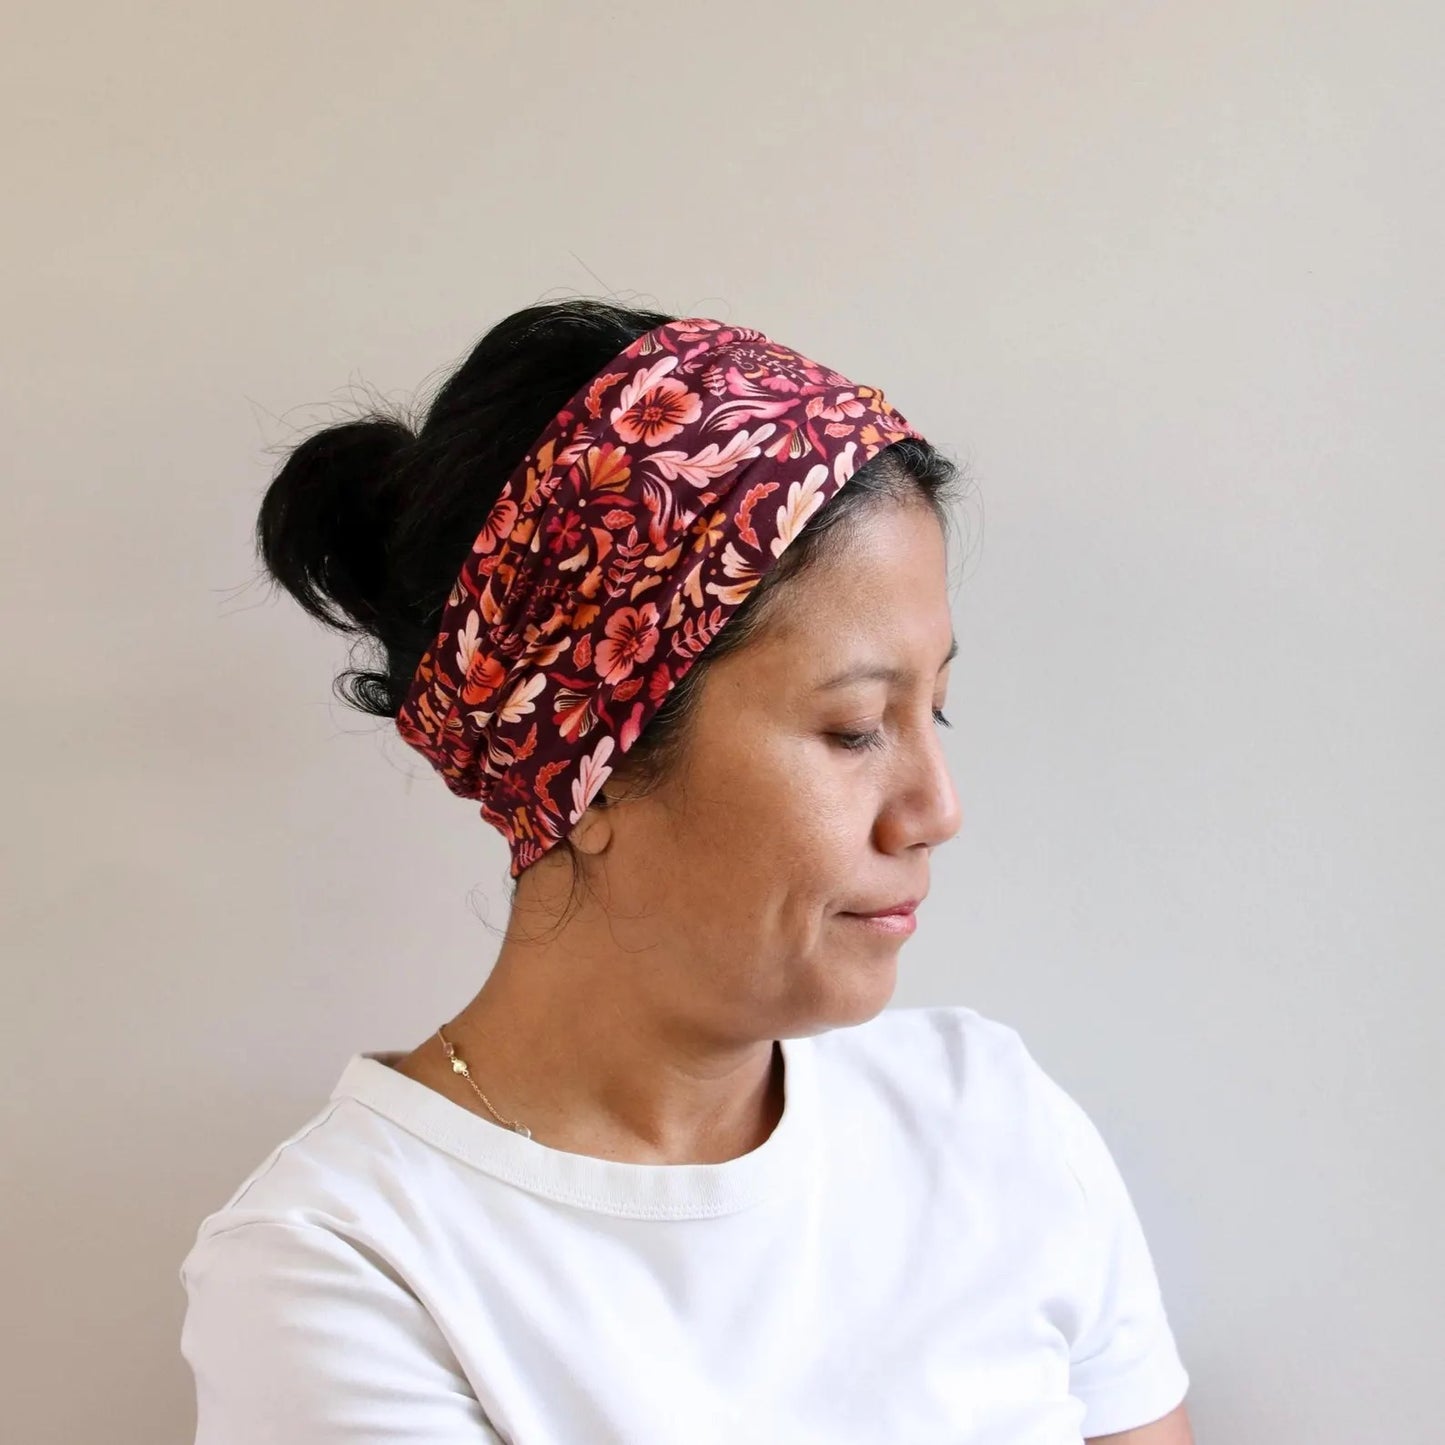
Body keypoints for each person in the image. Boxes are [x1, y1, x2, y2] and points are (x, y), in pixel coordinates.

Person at [177, 300, 1194, 1444]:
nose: (936, 810)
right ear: (593, 764)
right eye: (857, 726)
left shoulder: (987, 1119)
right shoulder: (348, 1269)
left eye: (936, 707)